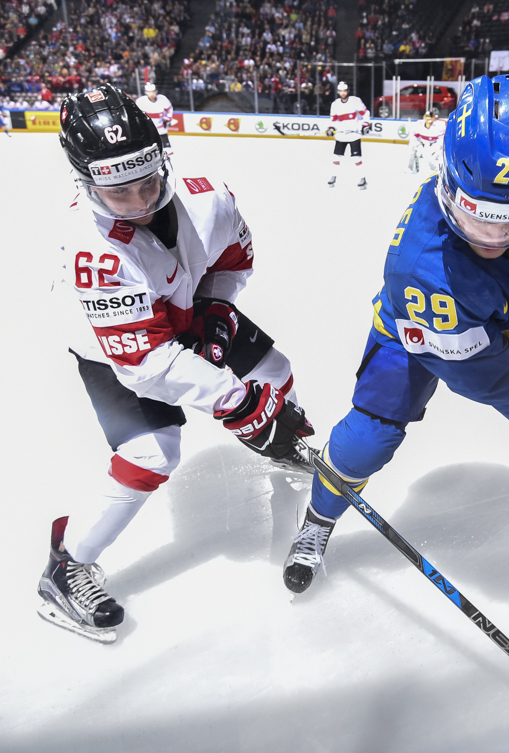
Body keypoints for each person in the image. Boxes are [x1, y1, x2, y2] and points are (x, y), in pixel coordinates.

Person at [282, 74, 509, 595]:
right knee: (370, 435)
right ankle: (320, 518)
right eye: (474, 215)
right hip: (418, 329)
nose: (491, 238)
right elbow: (484, 378)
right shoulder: (420, 267)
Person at [38, 85, 315, 643]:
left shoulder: (209, 197)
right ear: (87, 184)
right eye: (120, 193)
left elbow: (236, 257)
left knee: (276, 370)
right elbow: (143, 363)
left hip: (180, 309)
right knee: (153, 452)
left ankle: (277, 439)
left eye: (150, 181)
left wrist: (215, 309)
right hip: (111, 344)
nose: (142, 201)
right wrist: (233, 401)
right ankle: (66, 564)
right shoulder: (94, 253)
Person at [327, 81, 371, 189]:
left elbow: (365, 113)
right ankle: (333, 177)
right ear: (338, 92)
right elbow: (333, 120)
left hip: (354, 134)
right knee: (336, 157)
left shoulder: (355, 101)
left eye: (344, 91)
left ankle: (362, 178)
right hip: (341, 135)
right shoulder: (335, 104)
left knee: (356, 158)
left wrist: (366, 124)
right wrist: (331, 128)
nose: (343, 93)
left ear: (348, 91)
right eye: (341, 91)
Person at [134, 82, 174, 152]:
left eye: (153, 92)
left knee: (168, 150)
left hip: (161, 129)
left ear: (156, 92)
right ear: (146, 93)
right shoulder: (140, 101)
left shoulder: (163, 99)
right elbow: (135, 113)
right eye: (149, 92)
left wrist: (168, 118)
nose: (151, 94)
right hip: (148, 131)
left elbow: (169, 109)